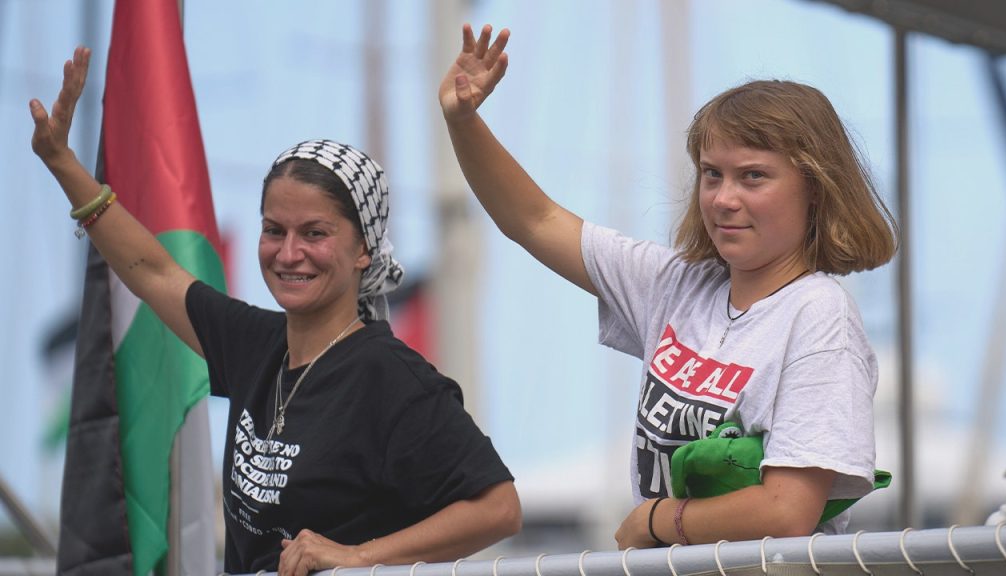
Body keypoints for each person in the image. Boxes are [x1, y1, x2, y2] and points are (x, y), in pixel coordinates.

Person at [31, 46, 521, 576]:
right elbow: (152, 270)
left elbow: (497, 508)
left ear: (364, 251)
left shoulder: (391, 377)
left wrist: (356, 558)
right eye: (274, 230)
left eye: (314, 233)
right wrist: (63, 164)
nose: (289, 254)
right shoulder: (254, 345)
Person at [439, 25, 897, 547]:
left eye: (752, 177)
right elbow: (534, 219)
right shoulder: (676, 284)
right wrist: (463, 119)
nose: (723, 198)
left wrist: (654, 521)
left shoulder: (818, 313)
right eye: (711, 174)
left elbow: (787, 510)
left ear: (814, 189)